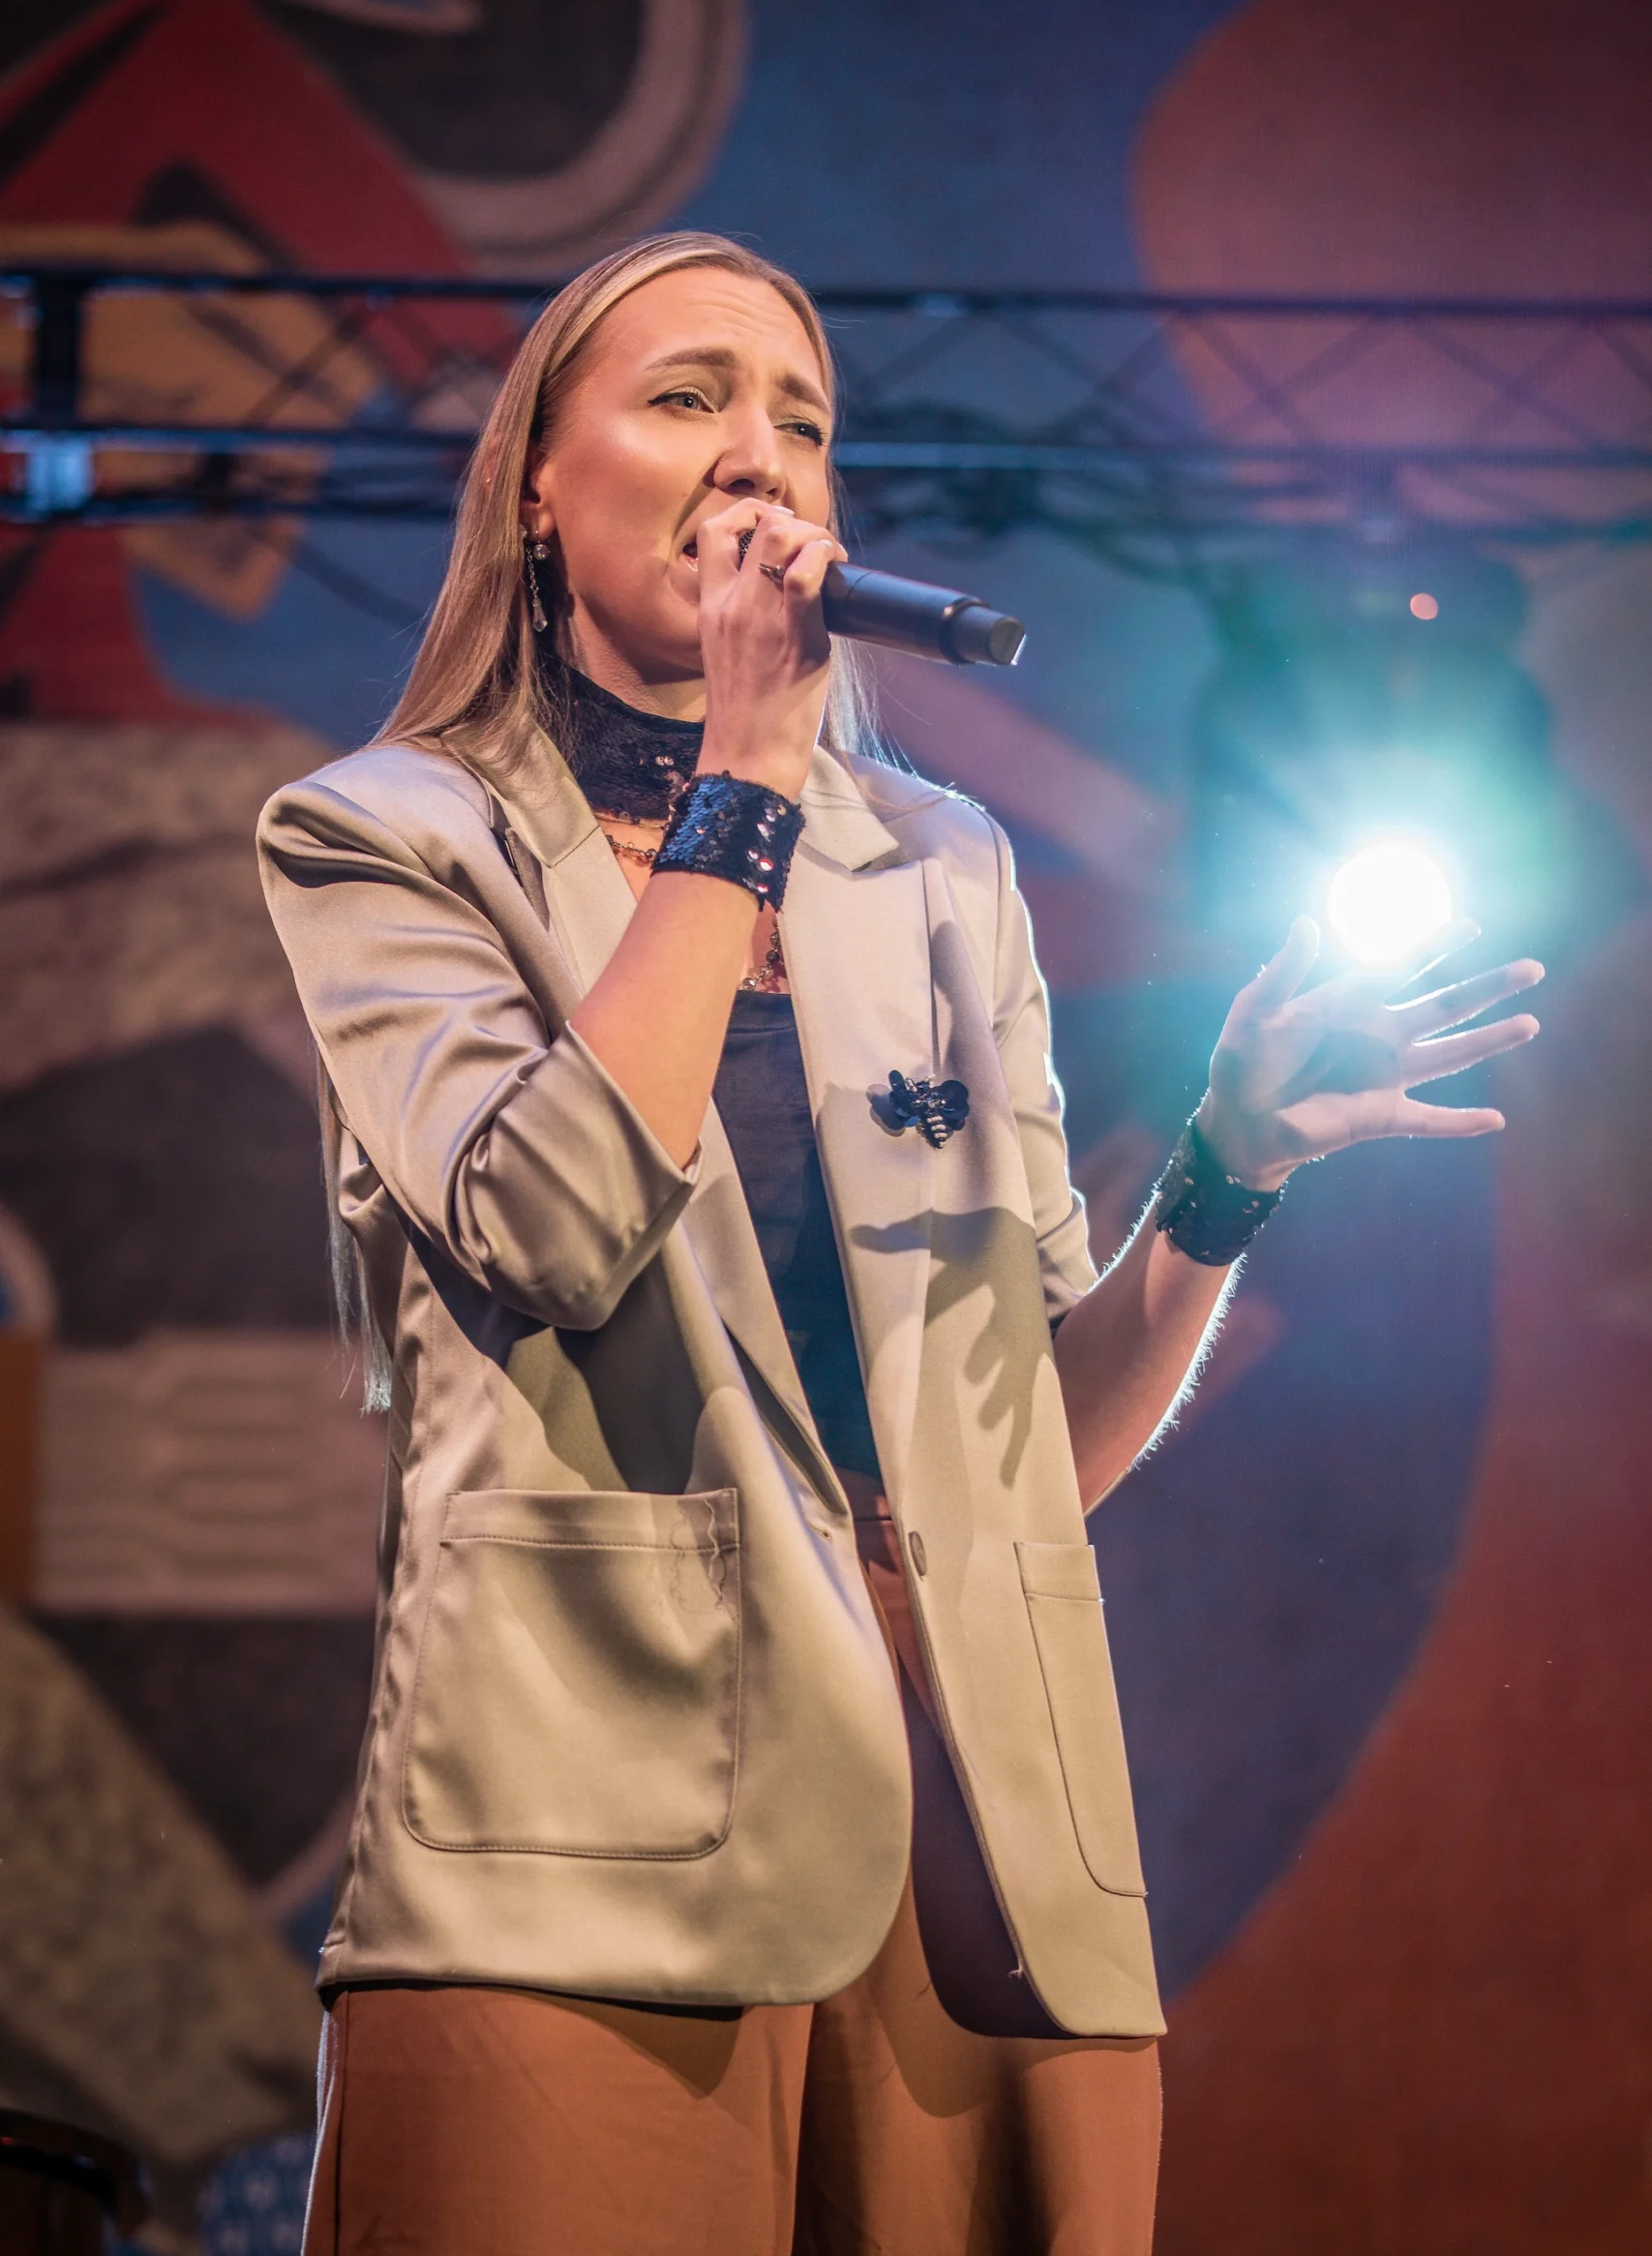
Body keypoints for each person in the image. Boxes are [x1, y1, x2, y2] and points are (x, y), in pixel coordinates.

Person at [256, 230, 1542, 2256]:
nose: (758, 457)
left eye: (802, 420)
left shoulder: (942, 866)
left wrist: (1221, 1173)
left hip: (970, 1854)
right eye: (688, 397)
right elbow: (551, 1223)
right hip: (587, 1839)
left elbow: (1035, 1462)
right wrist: (747, 780)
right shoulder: (391, 835)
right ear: (535, 488)